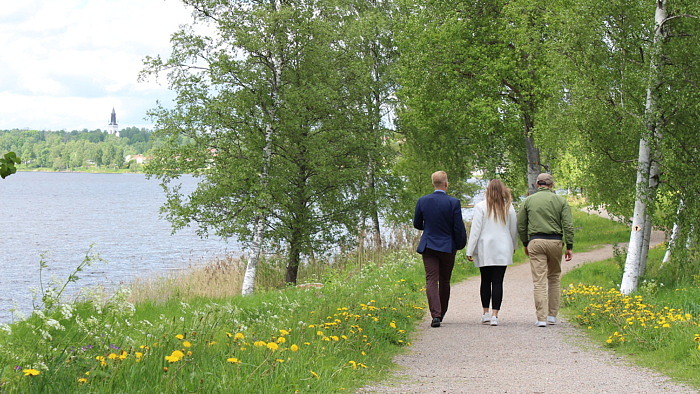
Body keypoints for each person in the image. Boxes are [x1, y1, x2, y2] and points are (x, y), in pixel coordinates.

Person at [517, 173, 574, 327]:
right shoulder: (561, 201)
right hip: (555, 242)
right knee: (554, 278)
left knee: (539, 281)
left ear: (537, 184)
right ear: (552, 185)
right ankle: (552, 316)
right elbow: (568, 225)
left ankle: (541, 318)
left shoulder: (528, 201)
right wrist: (569, 246)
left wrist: (525, 243)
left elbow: (521, 225)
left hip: (536, 241)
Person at [413, 171, 467, 328]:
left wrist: (428, 228)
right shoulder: (453, 202)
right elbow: (458, 227)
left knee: (431, 279)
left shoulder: (422, 201)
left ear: (432, 184)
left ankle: (435, 314)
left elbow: (417, 224)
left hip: (429, 244)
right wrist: (460, 244)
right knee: (445, 280)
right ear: (446, 183)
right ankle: (441, 313)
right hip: (447, 246)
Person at [466, 179, 517, 327]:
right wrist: (513, 246)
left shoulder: (481, 207)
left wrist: (470, 250)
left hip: (485, 248)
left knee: (485, 281)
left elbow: (475, 231)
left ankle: (485, 313)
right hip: (503, 248)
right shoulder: (508, 207)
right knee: (498, 281)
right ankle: (495, 315)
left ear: (487, 191)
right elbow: (513, 230)